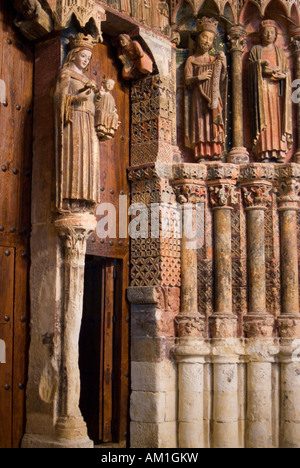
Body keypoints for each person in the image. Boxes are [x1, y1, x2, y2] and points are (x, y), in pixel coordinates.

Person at [54, 33, 101, 213]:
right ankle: (70, 200)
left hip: (88, 123)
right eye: (83, 56)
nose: (85, 60)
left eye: (88, 58)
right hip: (73, 122)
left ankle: (85, 201)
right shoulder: (67, 74)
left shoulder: (88, 80)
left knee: (87, 161)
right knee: (74, 158)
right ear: (73, 54)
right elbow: (58, 98)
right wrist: (75, 98)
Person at [248, 20, 293, 162]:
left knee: (277, 121)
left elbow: (286, 71)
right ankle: (264, 152)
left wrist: (284, 76)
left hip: (277, 92)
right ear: (261, 34)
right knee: (264, 119)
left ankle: (280, 151)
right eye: (266, 32)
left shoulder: (279, 52)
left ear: (275, 35)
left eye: (272, 32)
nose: (269, 34)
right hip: (263, 92)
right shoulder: (256, 50)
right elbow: (250, 69)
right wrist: (260, 67)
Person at [184, 17, 227, 162]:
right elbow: (187, 81)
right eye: (204, 37)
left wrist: (223, 64)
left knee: (213, 120)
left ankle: (215, 151)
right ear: (198, 39)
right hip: (198, 98)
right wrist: (199, 78)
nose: (207, 41)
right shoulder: (191, 60)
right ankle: (202, 153)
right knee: (201, 124)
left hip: (214, 96)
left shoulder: (214, 60)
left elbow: (222, 80)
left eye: (210, 39)